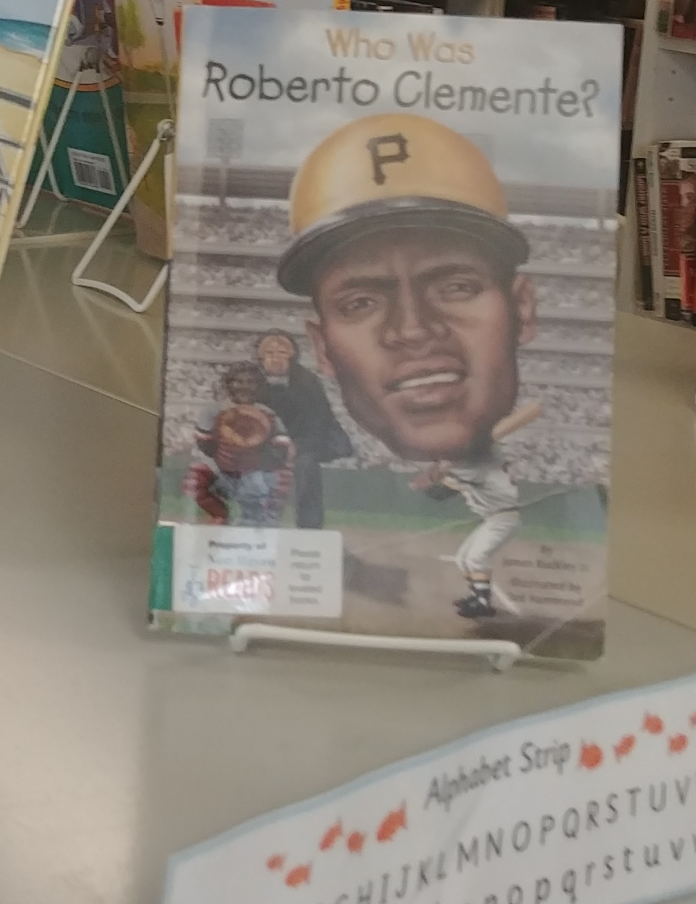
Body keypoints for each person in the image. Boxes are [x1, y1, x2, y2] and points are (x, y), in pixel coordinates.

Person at [277, 113, 538, 622]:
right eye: (360, 302)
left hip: (498, 515)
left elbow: (460, 476)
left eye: (456, 286)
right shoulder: (473, 461)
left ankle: (479, 600)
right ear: (322, 348)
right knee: (470, 558)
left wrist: (442, 478)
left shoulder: (482, 458)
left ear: (522, 311)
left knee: (472, 557)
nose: (413, 330)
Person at [252, 328, 349, 529]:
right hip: (263, 443)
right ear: (260, 357)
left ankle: (309, 527)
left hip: (303, 442)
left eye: (282, 352)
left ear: (292, 356)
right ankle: (256, 522)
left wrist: (297, 446)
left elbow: (319, 422)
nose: (276, 358)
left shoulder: (307, 381)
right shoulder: (251, 380)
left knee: (306, 467)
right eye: (269, 353)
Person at [188, 361, 294, 527]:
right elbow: (205, 444)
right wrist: (226, 455)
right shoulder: (213, 411)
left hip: (254, 472)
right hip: (221, 472)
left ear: (258, 386)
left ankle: (261, 518)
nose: (244, 386)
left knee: (270, 481)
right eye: (238, 381)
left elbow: (281, 446)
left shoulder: (268, 414)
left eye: (251, 382)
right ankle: (221, 515)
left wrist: (258, 459)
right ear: (228, 384)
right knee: (194, 480)